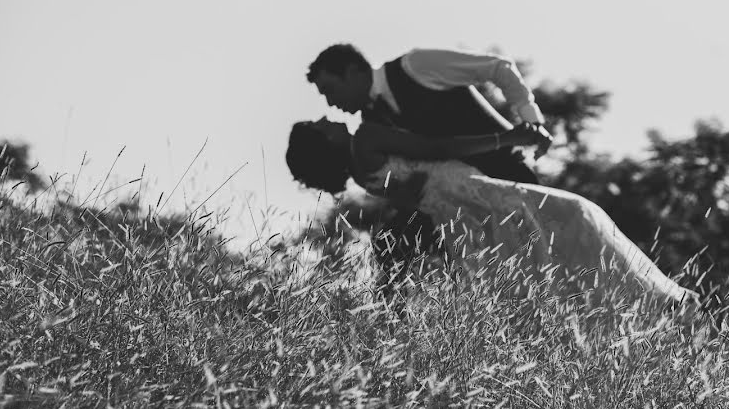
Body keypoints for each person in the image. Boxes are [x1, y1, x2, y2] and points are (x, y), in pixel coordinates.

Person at [285, 118, 700, 311]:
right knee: (574, 219)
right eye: (319, 124)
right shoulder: (368, 137)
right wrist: (508, 137)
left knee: (538, 276)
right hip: (480, 196)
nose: (327, 117)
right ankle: (661, 301)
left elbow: (416, 198)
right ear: (323, 140)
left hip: (462, 225)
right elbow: (437, 143)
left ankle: (643, 308)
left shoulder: (364, 178)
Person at [305, 43, 554, 301]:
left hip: (509, 176)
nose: (330, 102)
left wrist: (532, 123)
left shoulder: (417, 66)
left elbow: (498, 67)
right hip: (467, 211)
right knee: (509, 287)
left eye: (330, 90)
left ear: (352, 71)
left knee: (551, 265)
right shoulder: (372, 123)